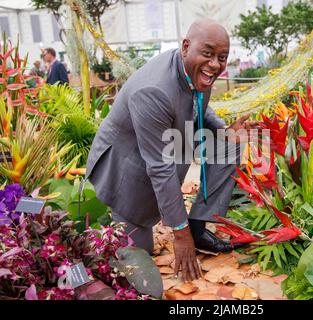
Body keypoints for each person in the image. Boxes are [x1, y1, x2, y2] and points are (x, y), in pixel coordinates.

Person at [86, 19, 260, 282]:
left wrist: (224, 131)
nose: (215, 64)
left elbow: (198, 101)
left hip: (171, 143)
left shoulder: (197, 70)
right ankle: (141, 222)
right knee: (139, 261)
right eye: (209, 53)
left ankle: (198, 225)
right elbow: (160, 167)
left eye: (222, 57)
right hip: (128, 171)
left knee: (229, 146)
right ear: (186, 47)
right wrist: (180, 235)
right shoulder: (153, 91)